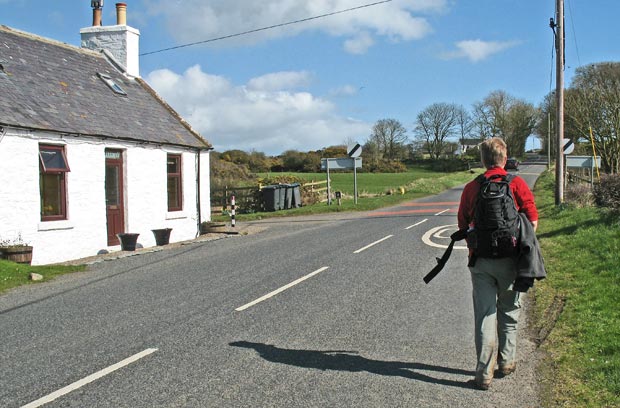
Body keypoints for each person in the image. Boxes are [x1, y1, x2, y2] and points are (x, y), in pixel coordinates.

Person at [457, 137, 538, 390]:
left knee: (484, 316)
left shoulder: (472, 187)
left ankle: (483, 374)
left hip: (481, 262)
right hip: (511, 260)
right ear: (505, 158)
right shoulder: (517, 184)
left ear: (483, 160)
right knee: (509, 311)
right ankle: (507, 362)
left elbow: (462, 225)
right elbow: (532, 221)